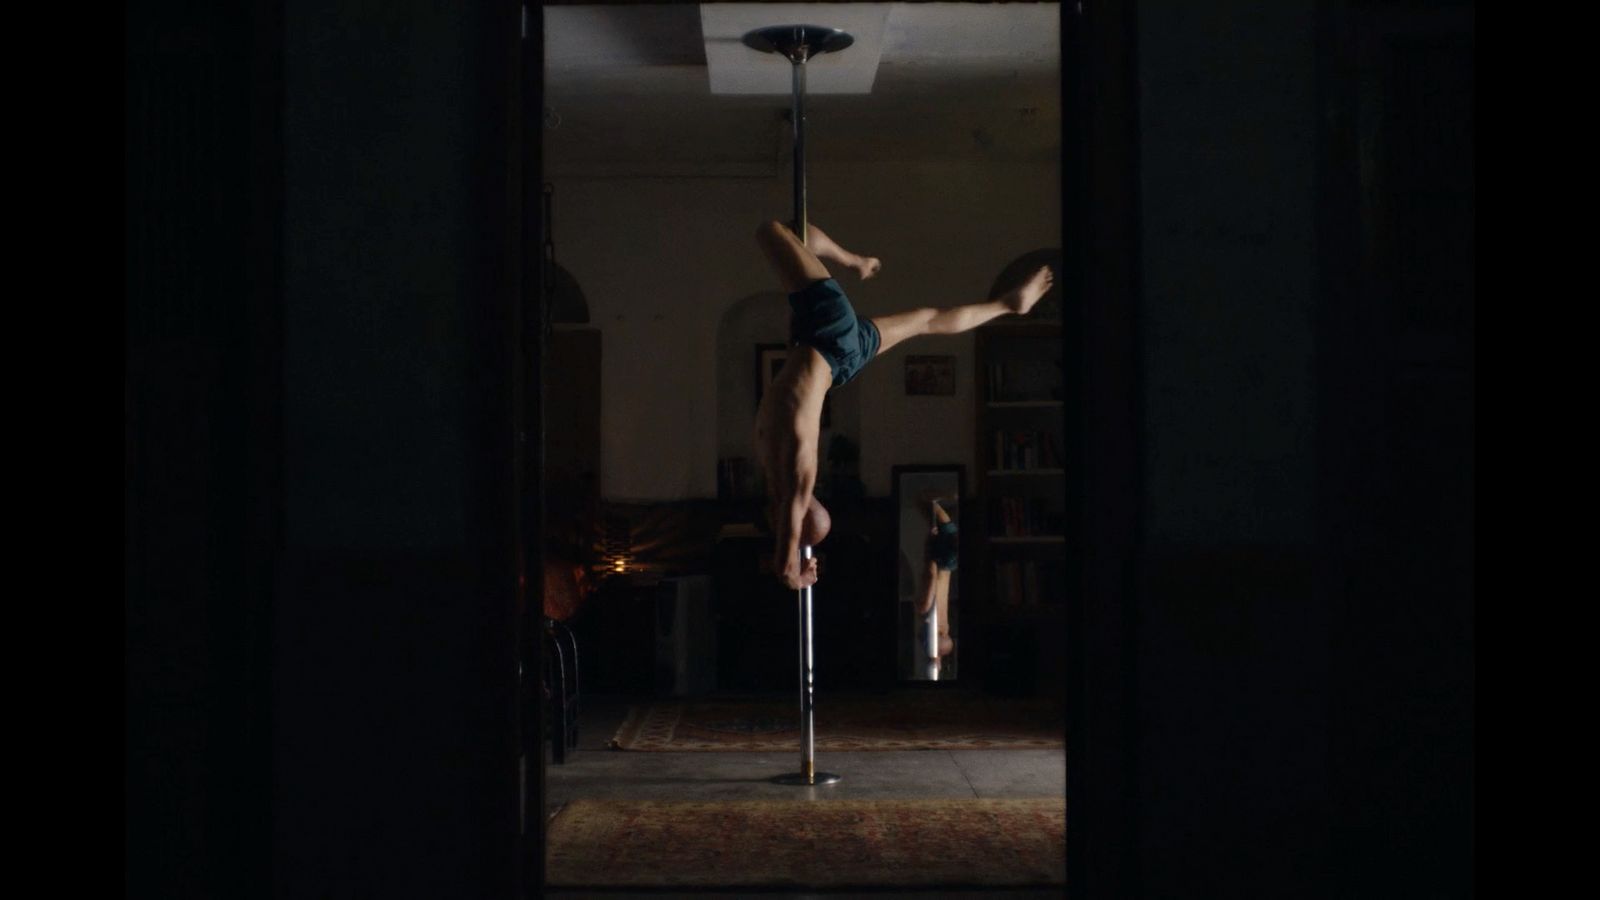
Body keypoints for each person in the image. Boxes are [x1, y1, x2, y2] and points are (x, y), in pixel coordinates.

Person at [751, 218, 1054, 589]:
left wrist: (797, 552)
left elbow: (789, 529)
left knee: (927, 320)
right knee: (772, 231)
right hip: (828, 334)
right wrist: (799, 577)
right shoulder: (796, 471)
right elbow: (784, 569)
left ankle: (1007, 304)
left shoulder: (780, 478)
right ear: (799, 511)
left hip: (836, 360)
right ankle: (855, 261)